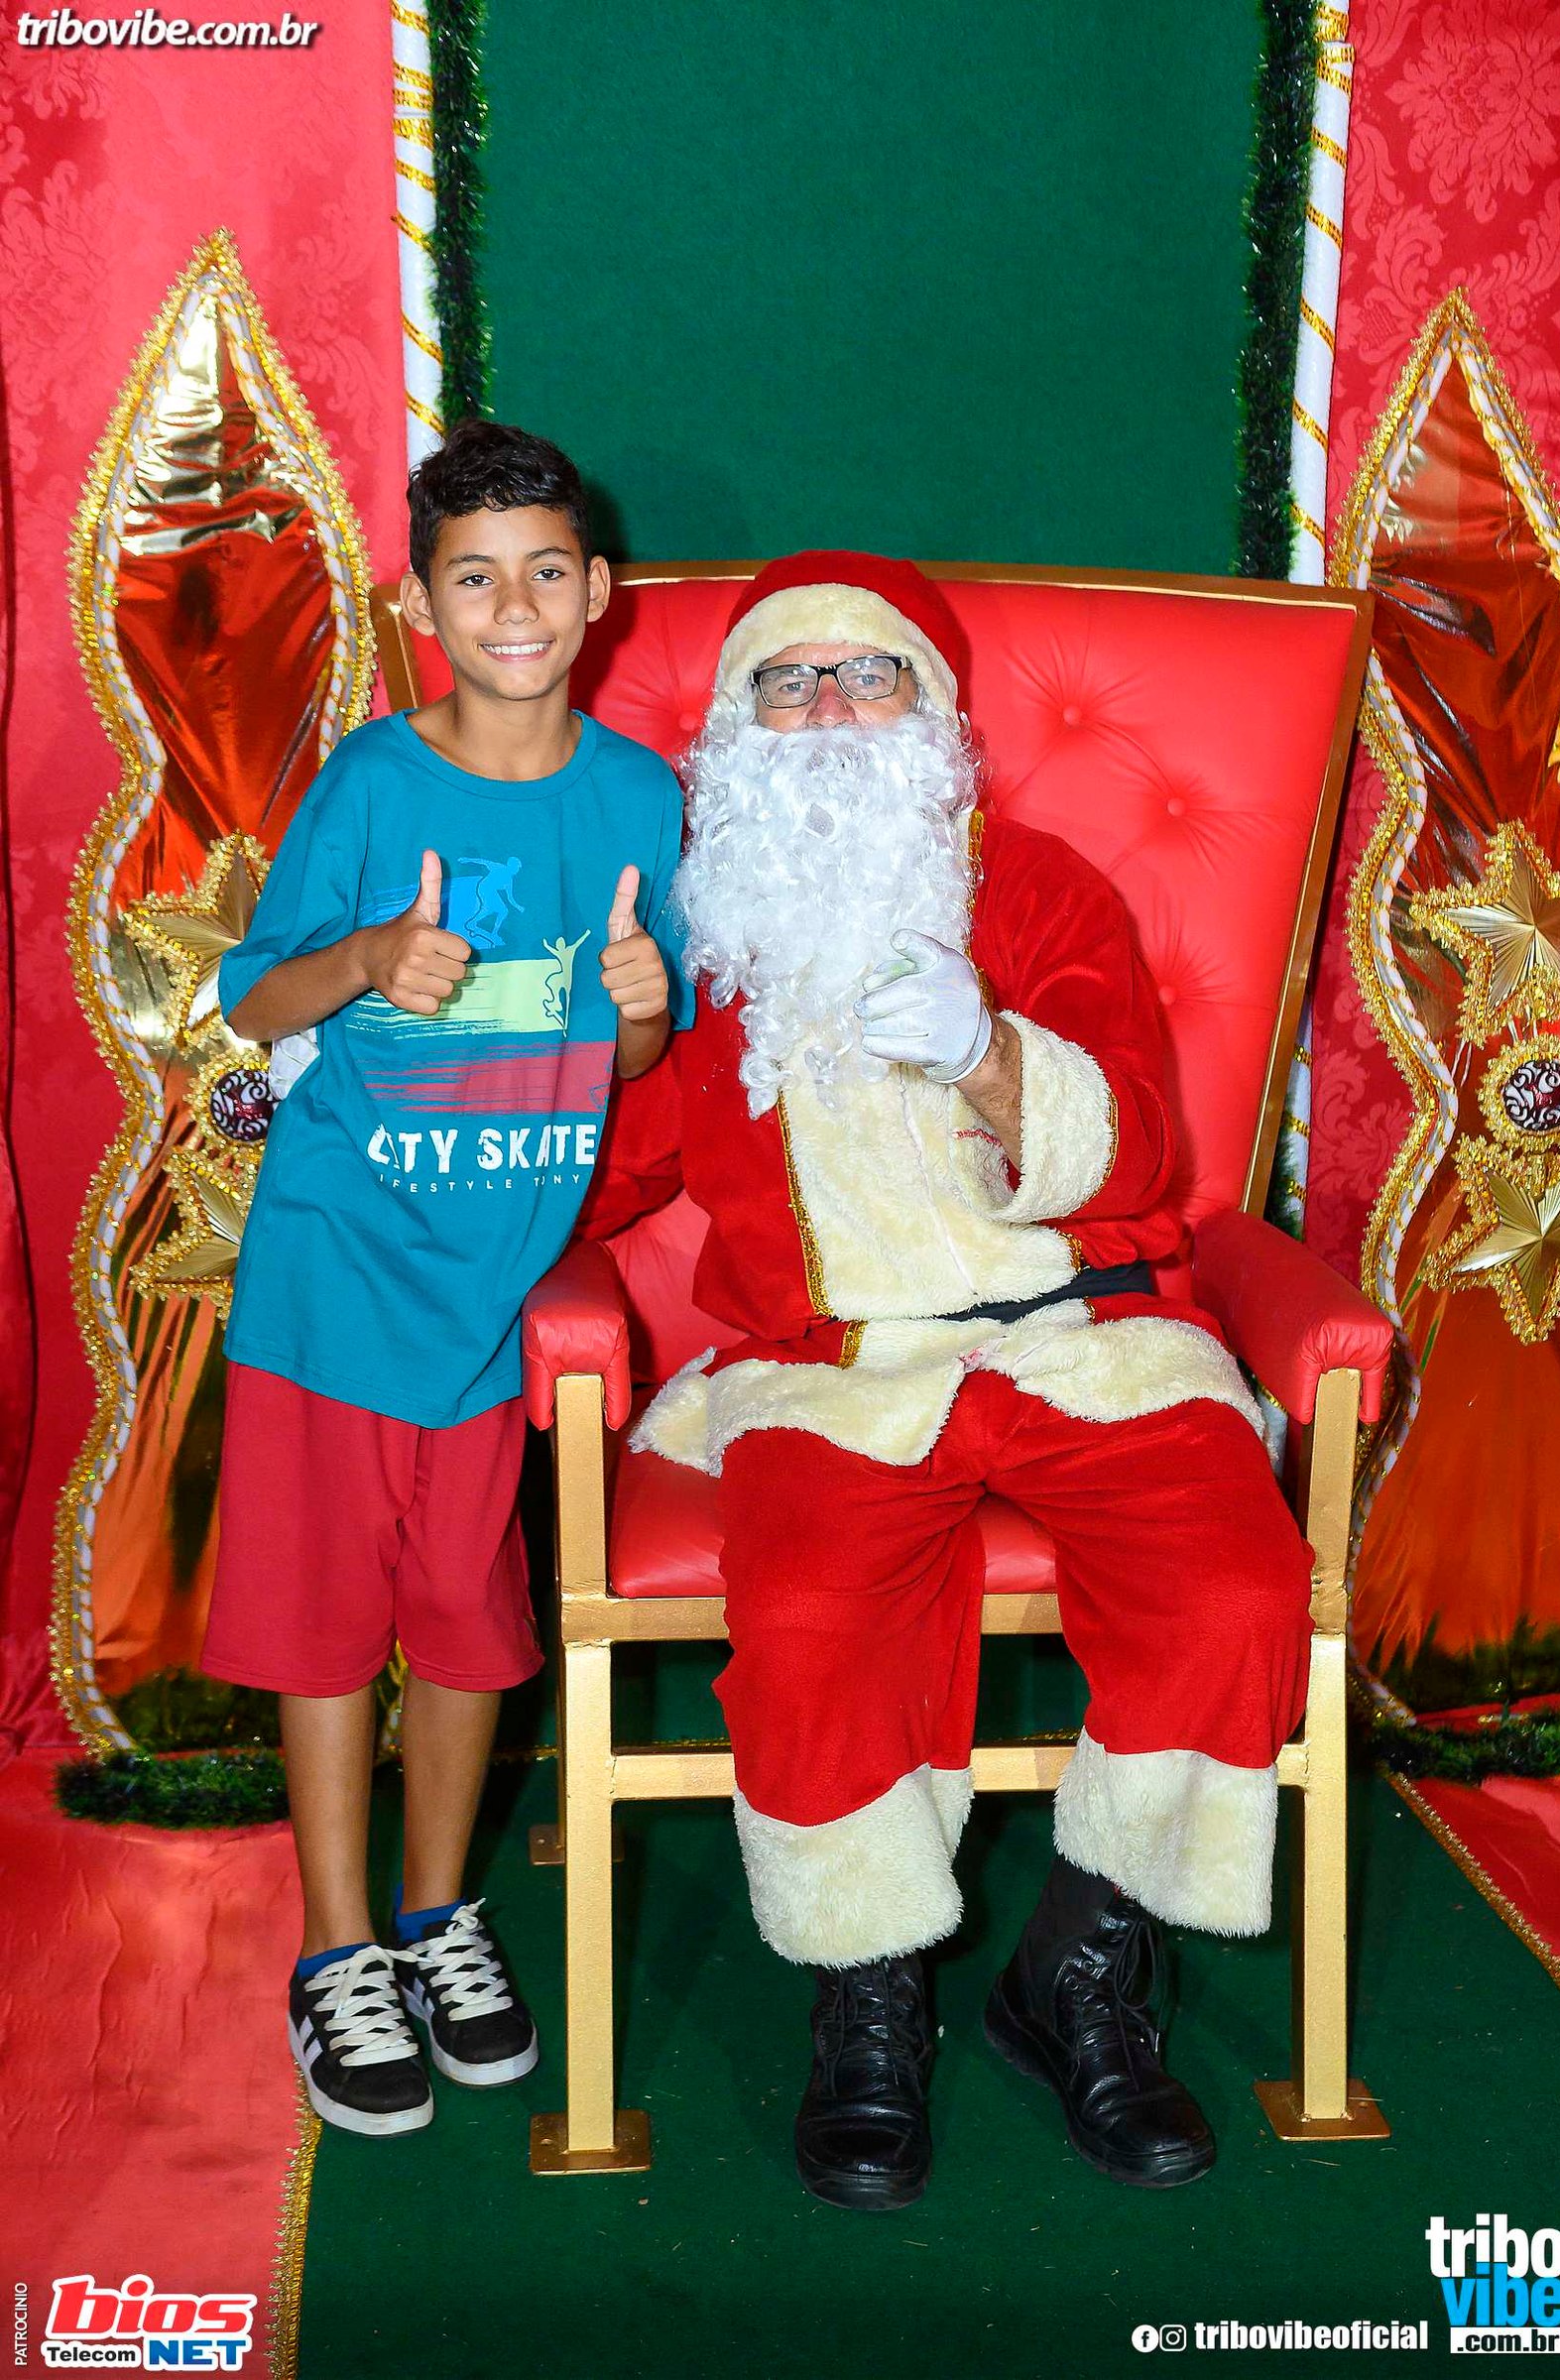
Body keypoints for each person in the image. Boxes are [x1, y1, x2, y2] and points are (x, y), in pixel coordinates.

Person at [583, 551, 1314, 2211]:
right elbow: (604, 1168)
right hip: (838, 1367)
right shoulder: (701, 928)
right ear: (737, 727)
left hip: (1081, 1330)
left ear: (934, 711)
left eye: (870, 674)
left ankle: (1077, 1968)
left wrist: (988, 1051)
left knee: (1234, 1591)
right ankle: (870, 1993)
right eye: (788, 682)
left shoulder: (1041, 891)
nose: (831, 710)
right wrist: (458, 1098)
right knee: (810, 1615)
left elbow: (1142, 1143)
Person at [202, 420, 693, 2137]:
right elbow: (252, 1002)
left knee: (476, 1629)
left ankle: (435, 1919)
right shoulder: (370, 781)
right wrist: (366, 957)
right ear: (422, 604)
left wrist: (641, 1007)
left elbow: (632, 1053)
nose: (515, 606)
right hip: (336, 1278)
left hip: (498, 1296)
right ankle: (337, 1947)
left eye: (546, 571)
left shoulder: (641, 798)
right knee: (325, 1624)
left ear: (599, 589)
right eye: (475, 578)